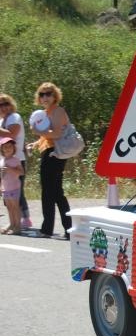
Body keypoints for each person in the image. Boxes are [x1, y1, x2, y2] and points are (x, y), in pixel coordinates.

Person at [28, 82, 71, 239]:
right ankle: (69, 229)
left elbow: (57, 134)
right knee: (56, 192)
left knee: (49, 193)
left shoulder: (57, 111)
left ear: (55, 96)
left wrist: (37, 131)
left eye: (48, 94)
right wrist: (35, 143)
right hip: (50, 152)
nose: (45, 97)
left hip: (54, 154)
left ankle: (47, 230)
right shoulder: (46, 113)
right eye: (42, 94)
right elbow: (47, 136)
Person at [0, 93, 32, 229]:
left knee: (16, 192)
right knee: (7, 192)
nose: (4, 107)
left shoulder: (14, 117)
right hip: (4, 160)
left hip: (16, 160)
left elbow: (12, 135)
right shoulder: (2, 121)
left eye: (6, 103)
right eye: (0, 105)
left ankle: (23, 220)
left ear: (11, 104)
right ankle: (14, 222)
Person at [0, 137, 23, 235]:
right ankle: (12, 224)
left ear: (14, 148)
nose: (8, 148)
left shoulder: (16, 160)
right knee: (9, 207)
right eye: (5, 147)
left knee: (15, 207)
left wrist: (10, 169)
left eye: (10, 146)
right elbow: (2, 176)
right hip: (5, 188)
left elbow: (21, 172)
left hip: (14, 187)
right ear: (1, 149)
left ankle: (17, 226)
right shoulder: (2, 160)